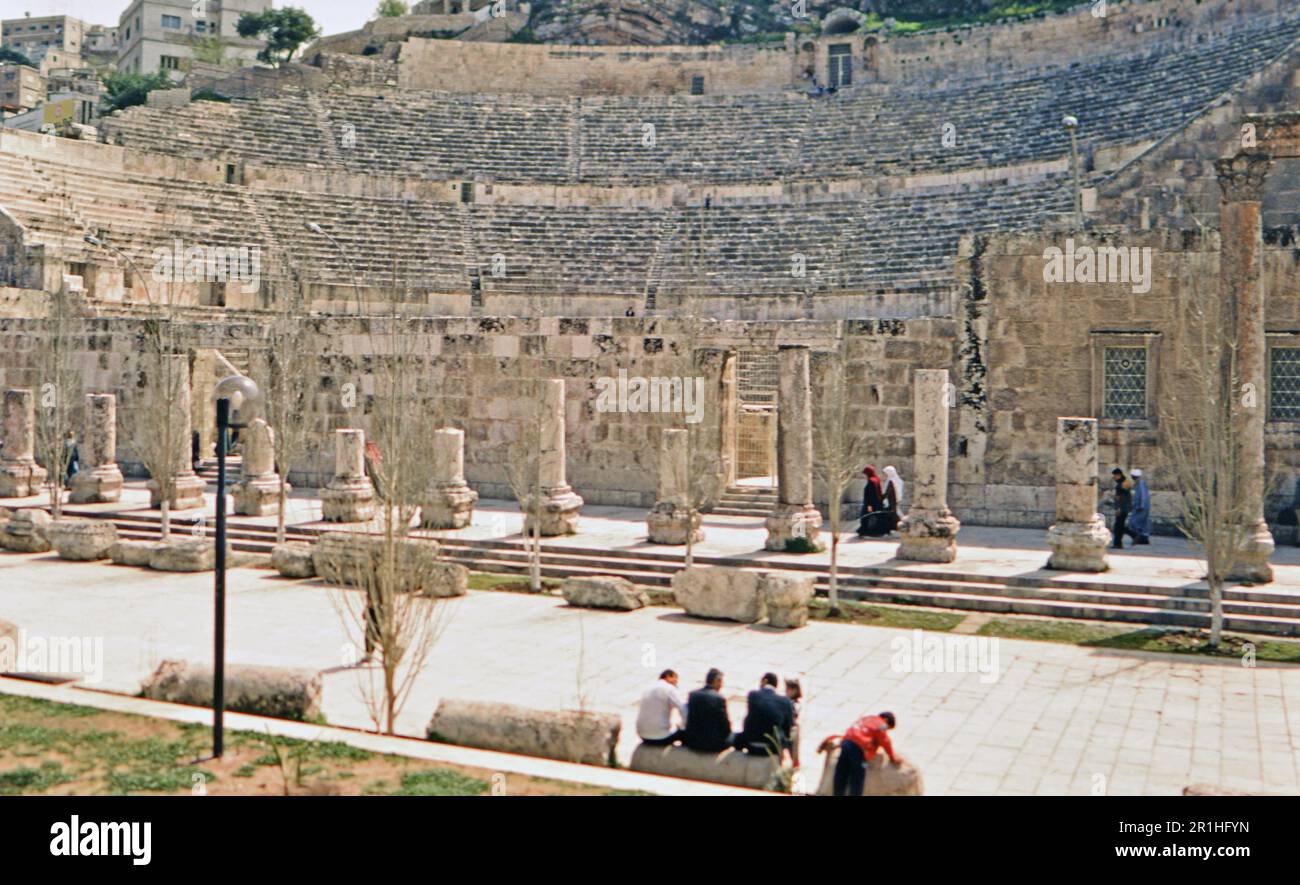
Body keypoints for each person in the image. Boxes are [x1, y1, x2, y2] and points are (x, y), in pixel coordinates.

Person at [818, 711, 903, 797]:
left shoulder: (867, 718)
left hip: (846, 743)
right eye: (887, 728)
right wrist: (892, 757)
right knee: (857, 778)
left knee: (841, 773)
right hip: (858, 749)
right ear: (886, 719)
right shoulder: (881, 723)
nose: (886, 730)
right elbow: (885, 741)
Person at [734, 672, 797, 757]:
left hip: (751, 744)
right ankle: (794, 762)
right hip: (772, 747)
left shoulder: (753, 695)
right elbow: (788, 729)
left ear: (764, 681)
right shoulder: (785, 701)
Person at [683, 668, 733, 753]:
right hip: (713, 744)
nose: (722, 685)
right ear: (717, 681)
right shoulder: (719, 698)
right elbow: (725, 726)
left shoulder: (693, 695)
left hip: (693, 742)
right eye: (721, 682)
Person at [636, 669, 688, 746]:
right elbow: (683, 708)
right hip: (660, 738)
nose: (676, 685)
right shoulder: (669, 688)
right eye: (675, 681)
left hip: (642, 735)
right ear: (669, 677)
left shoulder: (647, 688)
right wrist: (684, 726)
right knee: (684, 732)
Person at [857, 465, 890, 537]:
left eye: (865, 474)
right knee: (877, 517)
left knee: (865, 517)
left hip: (871, 504)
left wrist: (869, 505)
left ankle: (863, 531)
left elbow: (870, 494)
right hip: (877, 503)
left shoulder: (871, 481)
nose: (865, 476)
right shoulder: (876, 479)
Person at [1110, 467, 1135, 549]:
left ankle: (1118, 543)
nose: (1114, 478)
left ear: (1119, 475)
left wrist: (1118, 508)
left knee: (1118, 526)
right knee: (1120, 525)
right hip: (1125, 508)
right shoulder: (1125, 482)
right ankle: (1120, 542)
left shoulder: (1122, 484)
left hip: (1122, 508)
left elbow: (1120, 498)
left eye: (1115, 476)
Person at [1128, 468, 1151, 545]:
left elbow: (1143, 495)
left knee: (1134, 522)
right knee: (1142, 523)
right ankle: (1143, 538)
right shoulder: (1139, 484)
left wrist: (1141, 505)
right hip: (1140, 506)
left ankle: (1140, 537)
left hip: (1141, 507)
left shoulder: (1141, 483)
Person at [785, 678, 803, 769]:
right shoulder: (788, 702)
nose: (786, 691)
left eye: (788, 689)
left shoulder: (794, 704)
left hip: (790, 730)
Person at [882, 465, 904, 534]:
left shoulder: (891, 481)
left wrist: (882, 497)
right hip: (894, 500)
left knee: (892, 514)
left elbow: (888, 492)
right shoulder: (895, 480)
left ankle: (896, 526)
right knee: (894, 513)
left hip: (891, 501)